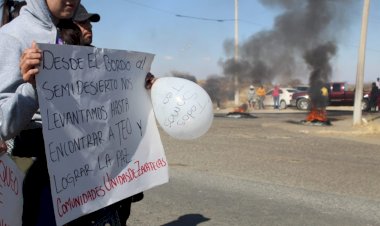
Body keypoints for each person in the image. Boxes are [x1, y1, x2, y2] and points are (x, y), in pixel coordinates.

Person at [0, 1, 81, 225]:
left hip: (73, 159)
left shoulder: (68, 33)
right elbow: (3, 125)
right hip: (33, 160)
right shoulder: (11, 36)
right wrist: (33, 87)